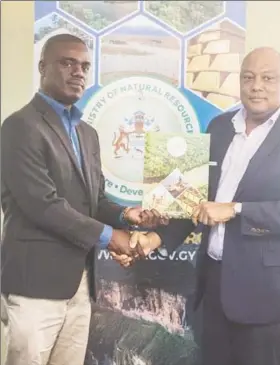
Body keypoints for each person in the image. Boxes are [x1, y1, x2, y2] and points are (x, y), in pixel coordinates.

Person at [114, 47, 280, 365]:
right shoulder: (220, 127)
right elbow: (195, 199)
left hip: (269, 295)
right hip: (216, 286)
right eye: (248, 77)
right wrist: (154, 239)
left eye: (267, 78)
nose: (256, 86)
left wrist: (236, 209)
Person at [0, 33, 166, 365]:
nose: (78, 72)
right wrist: (111, 238)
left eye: (85, 66)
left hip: (80, 283)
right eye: (67, 63)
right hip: (35, 285)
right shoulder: (20, 126)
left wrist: (127, 216)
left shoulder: (86, 133)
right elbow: (42, 204)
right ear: (42, 67)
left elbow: (95, 200)